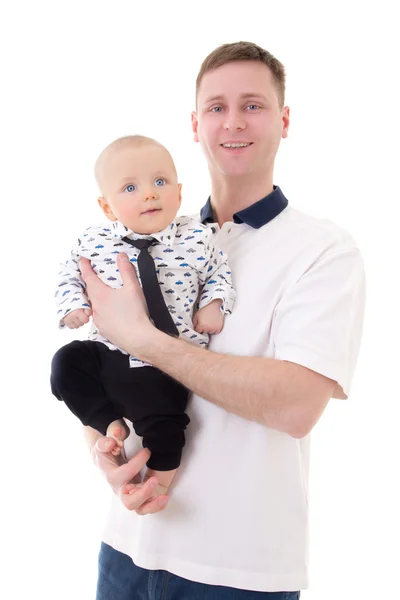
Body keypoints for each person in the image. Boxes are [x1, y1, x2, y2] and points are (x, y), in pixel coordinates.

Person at [80, 41, 366, 599]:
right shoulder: (148, 237)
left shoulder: (323, 250)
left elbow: (296, 405)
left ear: (284, 120)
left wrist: (147, 340)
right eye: (216, 107)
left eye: (253, 105)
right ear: (195, 124)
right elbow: (107, 359)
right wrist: (102, 445)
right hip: (126, 548)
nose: (233, 122)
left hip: (238, 573)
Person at [51, 134, 235, 498]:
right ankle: (109, 424)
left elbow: (220, 273)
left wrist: (214, 303)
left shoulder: (197, 238)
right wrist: (72, 305)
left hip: (166, 360)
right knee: (66, 364)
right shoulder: (93, 240)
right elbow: (69, 273)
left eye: (160, 182)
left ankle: (158, 480)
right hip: (108, 353)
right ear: (107, 207)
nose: (149, 194)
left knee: (165, 420)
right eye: (131, 187)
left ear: (179, 194)